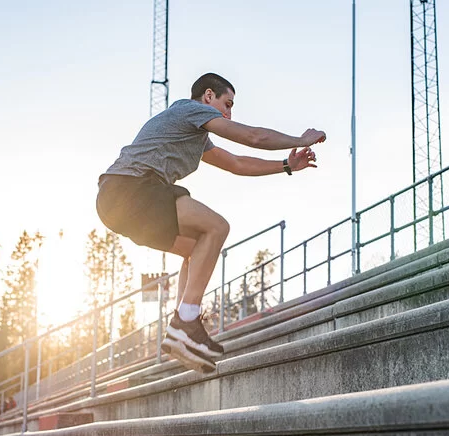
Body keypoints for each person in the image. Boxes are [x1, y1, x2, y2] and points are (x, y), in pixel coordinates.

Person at [96, 73, 325, 373]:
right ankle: (185, 321)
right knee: (217, 227)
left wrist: (286, 165)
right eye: (226, 104)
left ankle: (180, 331)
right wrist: (299, 140)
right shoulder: (188, 111)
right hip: (129, 189)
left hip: (120, 203)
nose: (229, 114)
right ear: (208, 97)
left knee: (195, 249)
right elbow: (252, 137)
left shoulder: (195, 135)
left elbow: (237, 164)